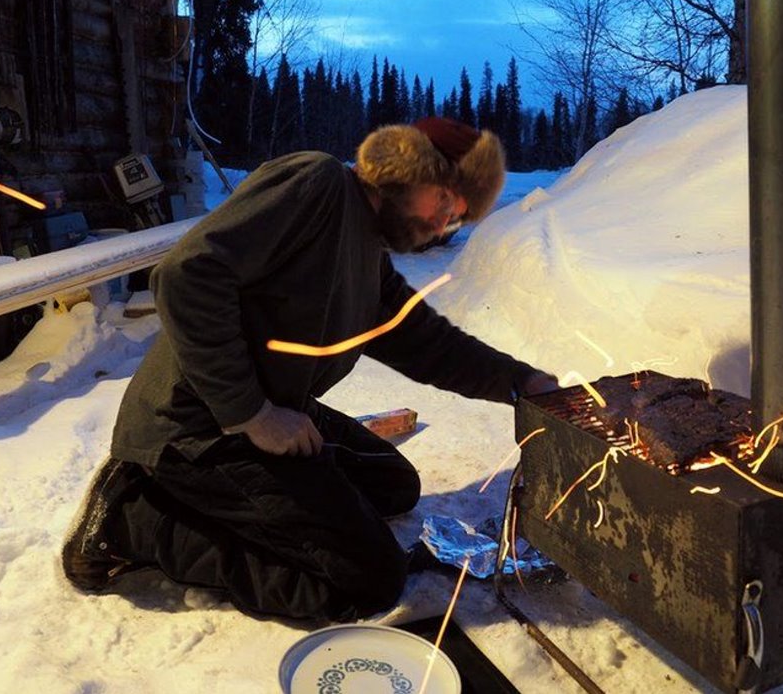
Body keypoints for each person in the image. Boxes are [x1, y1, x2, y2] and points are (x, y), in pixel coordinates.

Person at [61, 117, 558, 622]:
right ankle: (134, 521)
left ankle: (261, 495)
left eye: (458, 218)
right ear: (406, 168)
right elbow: (186, 276)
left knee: (394, 487)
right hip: (198, 427)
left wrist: (522, 382)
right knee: (369, 580)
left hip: (270, 406)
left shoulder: (369, 253)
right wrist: (253, 414)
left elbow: (427, 344)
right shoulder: (317, 184)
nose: (443, 225)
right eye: (447, 202)